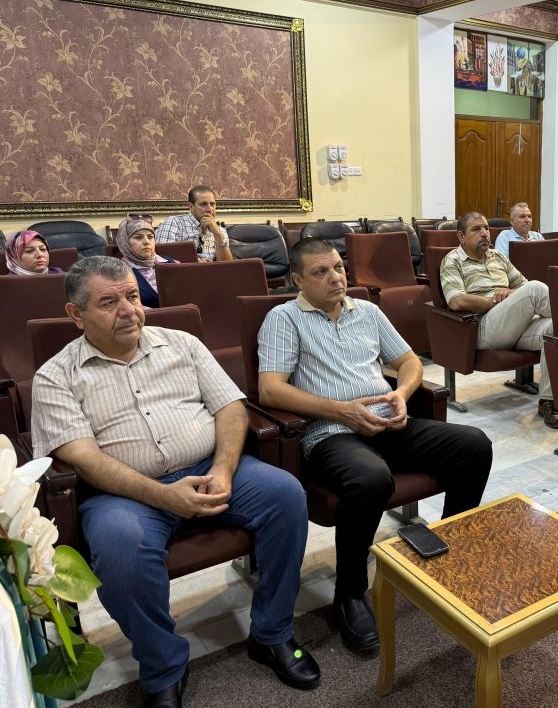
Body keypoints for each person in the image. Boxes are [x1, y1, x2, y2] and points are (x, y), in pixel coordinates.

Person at [31, 256, 319, 708]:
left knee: (285, 495)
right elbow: (84, 459)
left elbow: (230, 408)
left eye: (132, 296)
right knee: (120, 550)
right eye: (108, 302)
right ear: (76, 314)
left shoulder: (182, 343)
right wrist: (164, 495)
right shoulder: (55, 376)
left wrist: (223, 469)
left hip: (209, 467)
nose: (128, 310)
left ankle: (271, 632)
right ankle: (163, 665)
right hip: (124, 495)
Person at [257, 238, 492, 655]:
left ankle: (446, 553)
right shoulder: (284, 318)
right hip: (331, 433)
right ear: (297, 280)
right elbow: (270, 390)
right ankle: (348, 593)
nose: (335, 277)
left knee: (474, 444)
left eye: (338, 267)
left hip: (388, 422)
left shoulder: (366, 310)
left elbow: (409, 362)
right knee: (370, 479)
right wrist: (343, 412)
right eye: (320, 272)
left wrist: (401, 394)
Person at [440, 212, 558, 429]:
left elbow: (521, 285)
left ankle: (548, 401)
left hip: (512, 325)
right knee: (536, 289)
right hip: (483, 328)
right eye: (476, 229)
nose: (484, 233)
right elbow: (456, 301)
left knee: (555, 330)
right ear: (461, 236)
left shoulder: (497, 256)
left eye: (486, 228)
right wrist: (493, 301)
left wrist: (509, 293)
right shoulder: (452, 260)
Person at [154, 185, 233, 262]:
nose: (209, 209)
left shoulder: (220, 230)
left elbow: (227, 266)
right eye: (203, 204)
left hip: (212, 271)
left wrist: (217, 234)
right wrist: (195, 262)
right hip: (184, 270)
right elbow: (162, 259)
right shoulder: (174, 223)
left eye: (212, 204)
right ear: (190, 206)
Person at [116, 215, 177, 307]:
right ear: (125, 242)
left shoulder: (172, 262)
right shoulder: (117, 273)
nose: (147, 242)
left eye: (150, 237)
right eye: (138, 237)